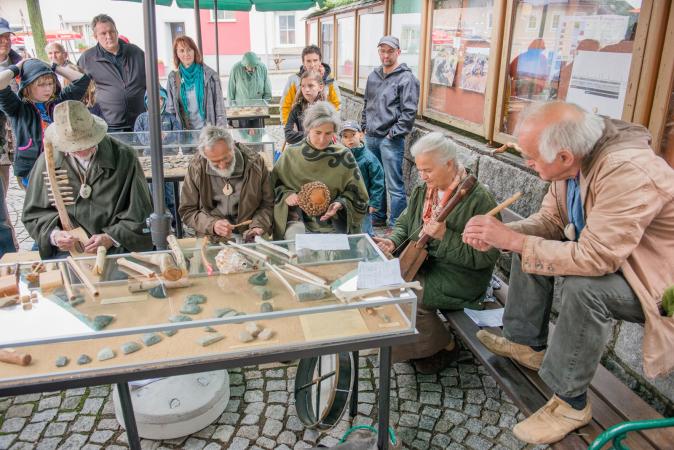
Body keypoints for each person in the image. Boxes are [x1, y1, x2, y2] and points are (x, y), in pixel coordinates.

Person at [462, 101, 674, 445]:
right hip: (620, 262)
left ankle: (571, 403)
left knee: (584, 287)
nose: (527, 163)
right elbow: (550, 223)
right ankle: (526, 342)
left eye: (531, 157)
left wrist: (514, 239)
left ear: (563, 156)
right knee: (528, 241)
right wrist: (501, 236)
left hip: (658, 282)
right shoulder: (576, 159)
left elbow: (596, 259)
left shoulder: (628, 170)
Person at [374, 132, 499, 373]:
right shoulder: (425, 190)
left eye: (427, 170)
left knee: (408, 296)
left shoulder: (479, 200)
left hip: (462, 277)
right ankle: (424, 346)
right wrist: (393, 242)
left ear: (449, 164)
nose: (422, 176)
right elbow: (404, 223)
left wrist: (445, 237)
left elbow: (485, 257)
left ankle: (447, 345)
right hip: (428, 264)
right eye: (420, 170)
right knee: (386, 285)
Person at [23, 100, 153, 259]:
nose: (81, 149)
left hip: (116, 253)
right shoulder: (47, 162)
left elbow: (141, 213)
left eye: (86, 142)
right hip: (68, 255)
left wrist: (111, 237)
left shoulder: (124, 156)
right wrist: (55, 235)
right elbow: (34, 215)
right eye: (74, 146)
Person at [272, 101, 368, 240]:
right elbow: (271, 187)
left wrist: (340, 203)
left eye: (328, 133)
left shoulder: (343, 156)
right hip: (297, 221)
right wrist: (287, 194)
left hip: (334, 222)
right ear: (308, 128)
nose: (322, 139)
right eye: (317, 132)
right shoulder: (291, 154)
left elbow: (359, 196)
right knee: (298, 249)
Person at [0, 58, 90, 187]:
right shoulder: (17, 108)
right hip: (32, 170)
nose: (48, 89)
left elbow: (82, 80)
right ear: (28, 85)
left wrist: (53, 66)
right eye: (41, 84)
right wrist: (17, 67)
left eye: (50, 83)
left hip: (62, 166)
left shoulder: (60, 102)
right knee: (40, 206)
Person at [361, 35, 420, 227]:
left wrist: (393, 134)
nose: (385, 55)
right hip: (371, 137)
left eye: (390, 51)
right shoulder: (373, 76)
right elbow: (366, 104)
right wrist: (364, 127)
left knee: (394, 185)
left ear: (398, 52)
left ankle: (398, 225)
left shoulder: (406, 78)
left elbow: (409, 112)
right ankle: (378, 218)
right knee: (376, 181)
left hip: (390, 140)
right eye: (382, 51)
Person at [180, 126, 273, 243]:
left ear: (232, 147)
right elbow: (187, 211)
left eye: (226, 159)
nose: (223, 165)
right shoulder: (197, 167)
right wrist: (212, 225)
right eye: (215, 162)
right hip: (211, 236)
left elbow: (268, 204)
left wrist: (257, 225)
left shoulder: (255, 164)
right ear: (205, 156)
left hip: (250, 232)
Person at [77, 14, 146, 132]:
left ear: (116, 31)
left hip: (141, 123)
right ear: (95, 36)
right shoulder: (87, 59)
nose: (109, 36)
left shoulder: (136, 52)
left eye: (111, 31)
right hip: (109, 127)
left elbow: (152, 82)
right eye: (103, 33)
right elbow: (79, 92)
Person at [134, 87, 182, 222]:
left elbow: (178, 134)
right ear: (146, 101)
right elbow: (140, 137)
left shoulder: (171, 118)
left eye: (160, 99)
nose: (157, 102)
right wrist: (153, 137)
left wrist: (166, 137)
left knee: (170, 193)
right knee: (152, 192)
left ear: (164, 101)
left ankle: (174, 223)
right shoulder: (141, 119)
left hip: (169, 161)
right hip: (150, 161)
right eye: (152, 99)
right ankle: (155, 223)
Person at [165, 36, 226, 130]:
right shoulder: (173, 78)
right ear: (177, 54)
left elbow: (220, 109)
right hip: (186, 134)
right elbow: (170, 110)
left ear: (194, 51)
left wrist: (220, 134)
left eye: (189, 50)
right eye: (181, 50)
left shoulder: (210, 76)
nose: (186, 54)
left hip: (208, 133)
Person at [339, 120, 384, 236]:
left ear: (361, 134)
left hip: (363, 203)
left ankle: (368, 249)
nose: (349, 139)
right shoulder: (340, 157)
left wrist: (374, 203)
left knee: (365, 231)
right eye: (345, 136)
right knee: (346, 229)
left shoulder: (369, 158)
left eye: (353, 135)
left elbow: (377, 182)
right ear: (341, 139)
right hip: (346, 202)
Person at [280, 45, 341, 125]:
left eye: (315, 60)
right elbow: (285, 105)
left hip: (324, 126)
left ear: (320, 61)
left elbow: (336, 104)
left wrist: (333, 124)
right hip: (299, 127)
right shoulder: (294, 80)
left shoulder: (329, 79)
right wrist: (288, 126)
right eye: (308, 61)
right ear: (303, 63)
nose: (312, 64)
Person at [284, 71, 324, 145]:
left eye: (310, 85)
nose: (306, 90)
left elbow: (325, 137)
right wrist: (313, 134)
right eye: (303, 86)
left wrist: (298, 133)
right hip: (301, 151)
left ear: (320, 87)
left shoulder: (326, 110)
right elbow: (289, 136)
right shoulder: (297, 108)